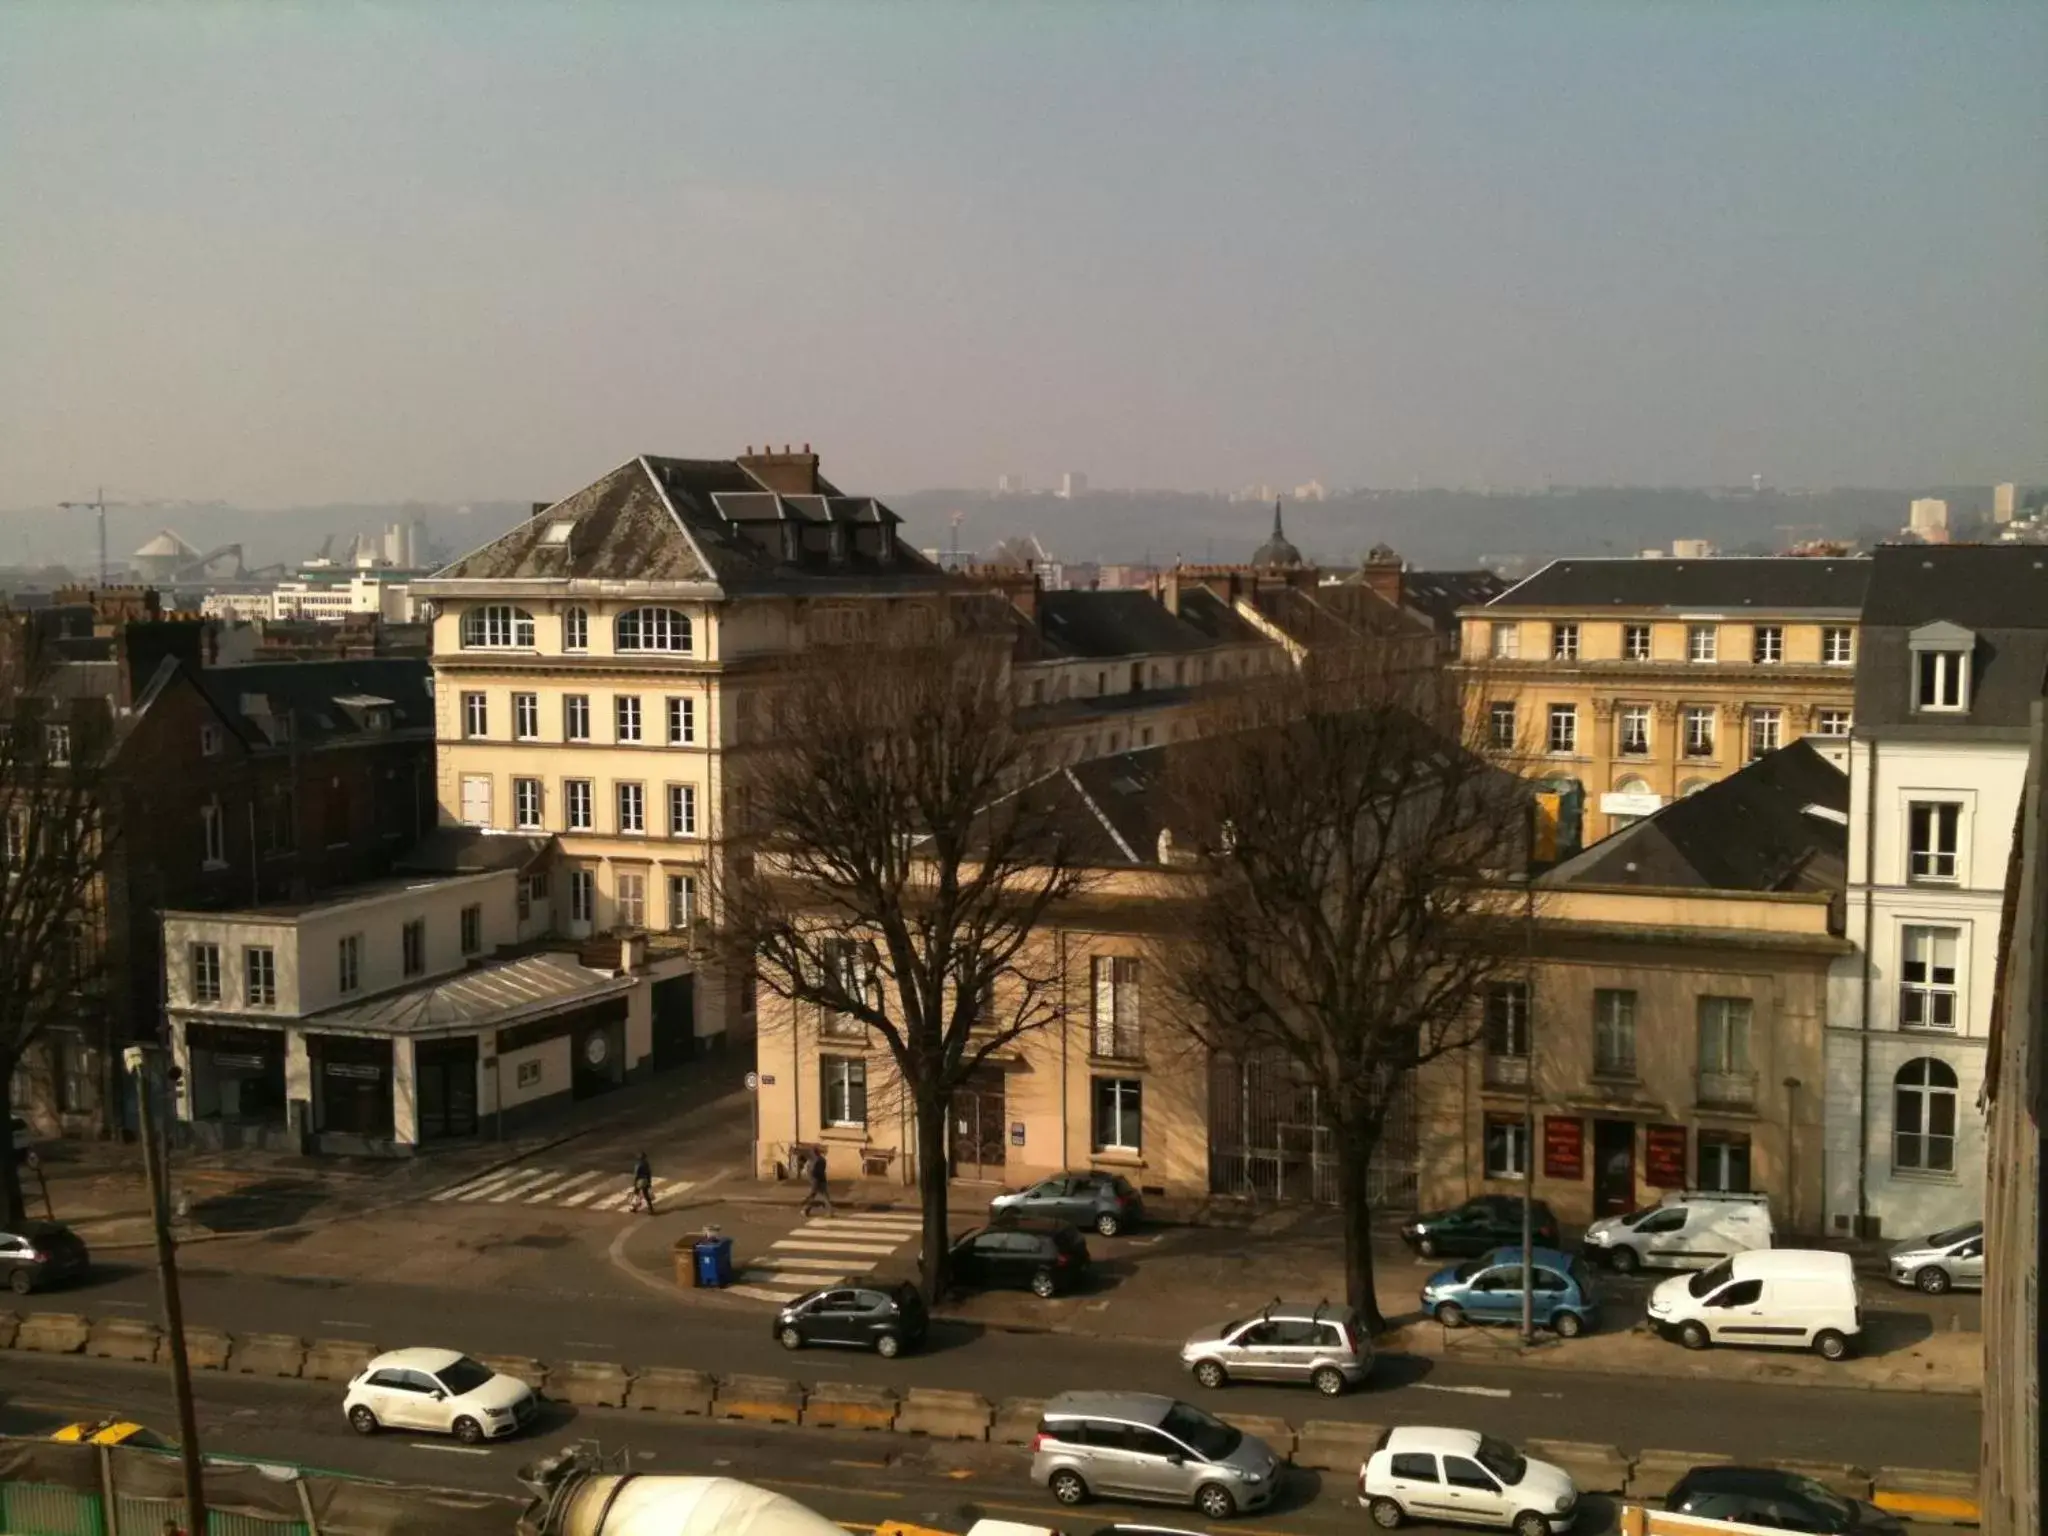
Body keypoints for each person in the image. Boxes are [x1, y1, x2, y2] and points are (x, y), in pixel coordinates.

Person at [800, 1143, 834, 1217]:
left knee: (812, 1196)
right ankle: (829, 1211)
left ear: (813, 1152)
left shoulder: (814, 1160)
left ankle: (806, 1210)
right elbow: (823, 1169)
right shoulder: (822, 1159)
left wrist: (809, 1173)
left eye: (812, 1152)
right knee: (824, 1196)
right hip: (822, 1179)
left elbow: (812, 1171)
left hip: (815, 1181)